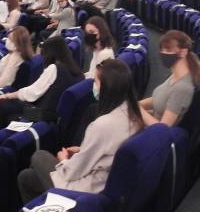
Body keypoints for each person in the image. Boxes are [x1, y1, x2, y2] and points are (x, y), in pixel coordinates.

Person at [16, 59, 144, 202]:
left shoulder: (102, 125)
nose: (93, 86)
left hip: (87, 190)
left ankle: (57, 205)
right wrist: (82, 150)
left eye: (95, 82)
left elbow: (73, 172)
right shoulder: (132, 114)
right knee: (26, 177)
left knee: (39, 156)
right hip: (105, 181)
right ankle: (45, 209)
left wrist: (63, 160)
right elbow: (106, 151)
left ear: (107, 88)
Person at [0, 36, 83, 130]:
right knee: (8, 111)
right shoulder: (76, 71)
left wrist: (7, 96)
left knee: (1, 103)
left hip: (42, 114)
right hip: (53, 115)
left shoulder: (54, 68)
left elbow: (32, 92)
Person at [140, 30, 200, 126]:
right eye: (162, 50)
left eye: (168, 50)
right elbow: (160, 99)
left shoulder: (182, 89)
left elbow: (163, 128)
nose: (163, 53)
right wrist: (136, 105)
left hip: (154, 132)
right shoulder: (175, 75)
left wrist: (140, 111)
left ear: (183, 52)